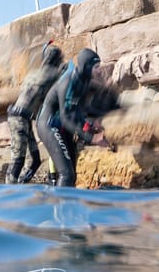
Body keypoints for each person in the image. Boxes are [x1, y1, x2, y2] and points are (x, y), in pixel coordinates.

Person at [36, 48, 111, 187]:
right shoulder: (69, 82)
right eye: (96, 67)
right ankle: (60, 207)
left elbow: (76, 112)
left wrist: (92, 124)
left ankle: (60, 203)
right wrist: (92, 138)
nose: (99, 70)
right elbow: (66, 117)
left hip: (63, 128)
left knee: (71, 174)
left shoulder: (82, 83)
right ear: (86, 67)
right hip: (48, 125)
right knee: (67, 174)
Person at [6, 42, 65, 184]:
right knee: (18, 160)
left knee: (35, 160)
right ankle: (8, 194)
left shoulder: (34, 74)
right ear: (57, 59)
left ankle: (20, 184)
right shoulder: (53, 74)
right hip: (19, 118)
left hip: (21, 117)